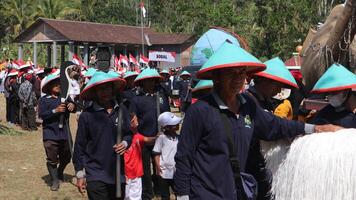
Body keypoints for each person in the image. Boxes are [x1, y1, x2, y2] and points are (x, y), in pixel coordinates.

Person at [174, 42, 342, 200]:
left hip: (236, 193)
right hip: (205, 194)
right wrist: (183, 196)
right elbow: (184, 158)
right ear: (216, 77)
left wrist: (315, 129)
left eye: (242, 73)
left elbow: (278, 126)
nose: (238, 78)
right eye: (231, 73)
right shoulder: (200, 111)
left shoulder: (248, 107)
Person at [245, 57, 300, 200]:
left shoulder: (267, 102)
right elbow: (270, 127)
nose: (278, 90)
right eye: (277, 85)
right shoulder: (248, 101)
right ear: (264, 81)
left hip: (264, 166)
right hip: (249, 166)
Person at [73, 71, 132, 200]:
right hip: (95, 173)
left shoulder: (122, 110)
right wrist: (79, 173)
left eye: (107, 88)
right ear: (94, 92)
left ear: (112, 89)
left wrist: (125, 143)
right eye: (100, 89)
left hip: (117, 173)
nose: (104, 92)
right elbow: (79, 146)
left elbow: (128, 134)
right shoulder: (87, 115)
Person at [130, 68, 170, 200]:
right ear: (142, 83)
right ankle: (147, 193)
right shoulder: (136, 99)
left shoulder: (162, 97)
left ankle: (161, 190)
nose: (150, 83)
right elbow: (133, 117)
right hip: (144, 139)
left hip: (161, 138)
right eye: (147, 81)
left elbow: (167, 115)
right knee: (145, 169)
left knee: (161, 166)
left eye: (152, 81)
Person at [38, 71, 76, 191]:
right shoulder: (44, 100)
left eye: (59, 83)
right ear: (49, 87)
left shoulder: (65, 97)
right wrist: (55, 111)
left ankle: (60, 172)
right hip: (50, 133)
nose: (58, 85)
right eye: (55, 84)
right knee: (52, 157)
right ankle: (54, 180)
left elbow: (74, 107)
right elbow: (42, 115)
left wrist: (72, 106)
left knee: (67, 155)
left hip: (64, 133)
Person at [311, 63, 356, 128]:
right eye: (328, 92)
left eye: (334, 92)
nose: (330, 95)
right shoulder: (324, 115)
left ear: (345, 91)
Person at [124, 114, 155, 200]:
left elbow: (147, 139)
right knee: (126, 196)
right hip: (126, 174)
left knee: (136, 197)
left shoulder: (137, 135)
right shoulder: (123, 139)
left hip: (137, 173)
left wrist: (159, 137)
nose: (137, 123)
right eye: (135, 121)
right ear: (128, 123)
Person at [153, 112, 181, 200]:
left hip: (176, 171)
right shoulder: (161, 138)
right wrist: (157, 166)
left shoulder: (179, 138)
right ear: (167, 127)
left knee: (179, 193)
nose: (177, 125)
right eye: (174, 124)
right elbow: (156, 153)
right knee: (165, 196)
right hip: (163, 172)